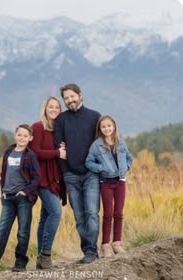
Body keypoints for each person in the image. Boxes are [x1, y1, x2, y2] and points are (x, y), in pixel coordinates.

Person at [0, 124, 41, 272]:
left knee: (23, 232)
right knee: (1, 230)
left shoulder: (30, 155)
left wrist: (25, 191)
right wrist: (3, 191)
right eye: (20, 135)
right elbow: (3, 174)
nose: (22, 138)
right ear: (15, 135)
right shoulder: (8, 152)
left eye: (25, 136)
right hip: (7, 198)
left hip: (23, 199)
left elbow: (36, 177)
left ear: (30, 138)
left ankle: (20, 263)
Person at [54, 83, 101, 264]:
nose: (70, 100)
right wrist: (65, 172)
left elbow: (100, 147)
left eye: (72, 96)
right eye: (66, 98)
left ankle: (91, 251)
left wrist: (98, 168)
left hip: (91, 175)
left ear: (80, 95)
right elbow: (59, 148)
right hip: (71, 175)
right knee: (79, 216)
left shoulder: (94, 116)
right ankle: (88, 249)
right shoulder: (61, 120)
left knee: (91, 212)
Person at [85, 115, 132, 258]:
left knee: (118, 213)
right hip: (106, 182)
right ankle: (105, 245)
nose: (107, 129)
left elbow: (129, 157)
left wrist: (127, 166)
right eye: (104, 126)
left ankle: (117, 243)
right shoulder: (96, 145)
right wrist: (100, 168)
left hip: (120, 182)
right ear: (100, 128)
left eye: (109, 126)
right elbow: (89, 162)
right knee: (108, 214)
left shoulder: (121, 143)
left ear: (114, 127)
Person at [30, 96, 67, 269]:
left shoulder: (58, 129)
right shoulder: (37, 127)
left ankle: (40, 258)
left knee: (45, 218)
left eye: (57, 107)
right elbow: (34, 152)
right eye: (51, 107)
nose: (54, 110)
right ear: (45, 108)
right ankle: (46, 254)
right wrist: (56, 153)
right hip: (41, 179)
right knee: (55, 213)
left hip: (55, 179)